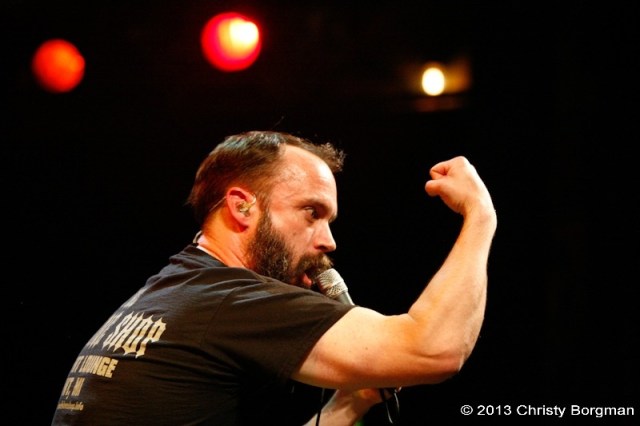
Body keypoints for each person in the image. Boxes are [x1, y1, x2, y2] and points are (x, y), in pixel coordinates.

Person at [51, 130, 497, 425]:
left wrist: (350, 404)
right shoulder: (231, 300)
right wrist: (481, 215)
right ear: (241, 206)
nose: (329, 241)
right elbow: (433, 349)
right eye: (311, 212)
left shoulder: (172, 292)